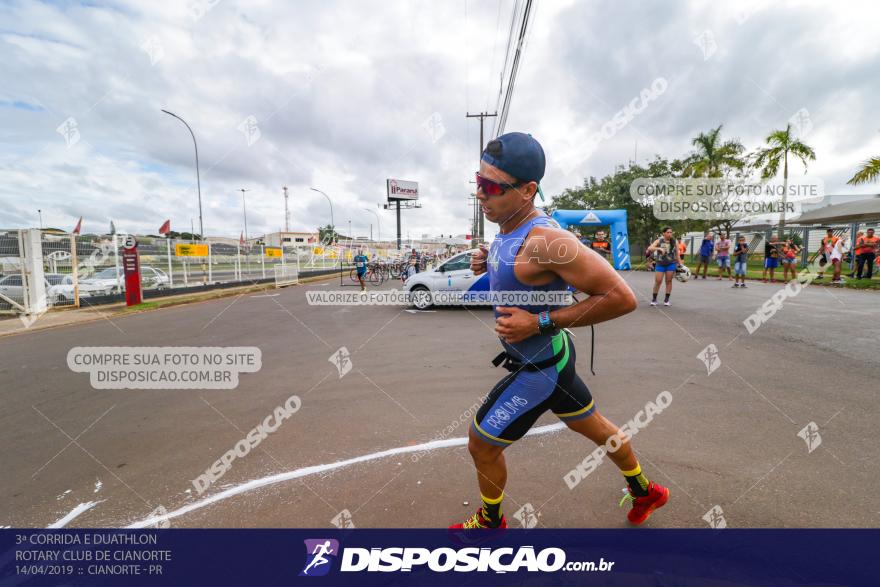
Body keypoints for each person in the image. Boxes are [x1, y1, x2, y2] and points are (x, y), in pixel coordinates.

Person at [453, 132, 668, 530]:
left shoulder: (549, 241)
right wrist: (489, 261)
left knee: (480, 443)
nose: (480, 195)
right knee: (598, 427)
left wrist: (539, 322)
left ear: (527, 190)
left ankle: (490, 523)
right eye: (477, 182)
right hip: (553, 357)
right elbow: (519, 268)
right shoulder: (508, 225)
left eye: (491, 187)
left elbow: (621, 297)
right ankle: (645, 491)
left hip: (540, 368)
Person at [647, 227, 681, 306]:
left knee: (668, 281)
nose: (670, 234)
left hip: (671, 264)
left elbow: (677, 254)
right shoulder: (659, 241)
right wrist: (658, 248)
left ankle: (666, 300)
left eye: (671, 232)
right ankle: (654, 299)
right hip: (660, 264)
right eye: (668, 232)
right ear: (664, 233)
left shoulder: (674, 241)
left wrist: (680, 264)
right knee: (658, 281)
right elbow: (650, 248)